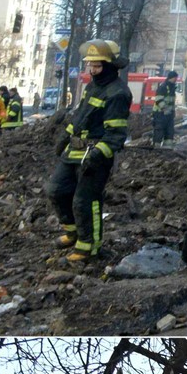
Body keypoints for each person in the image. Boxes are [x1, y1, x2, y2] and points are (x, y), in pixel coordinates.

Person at [48, 39, 132, 262]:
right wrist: (64, 137)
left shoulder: (118, 93)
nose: (92, 70)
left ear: (110, 66)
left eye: (97, 66)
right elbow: (80, 117)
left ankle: (88, 247)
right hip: (74, 150)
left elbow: (115, 135)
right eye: (90, 66)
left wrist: (97, 155)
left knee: (86, 201)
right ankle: (73, 232)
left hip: (94, 154)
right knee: (56, 190)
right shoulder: (92, 86)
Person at [150, 70, 178, 145]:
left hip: (169, 115)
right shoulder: (163, 87)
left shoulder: (172, 88)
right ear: (171, 78)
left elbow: (171, 103)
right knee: (159, 131)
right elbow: (158, 100)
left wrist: (173, 112)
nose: (176, 80)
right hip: (160, 114)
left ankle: (167, 150)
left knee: (169, 132)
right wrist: (165, 109)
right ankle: (156, 149)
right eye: (175, 78)